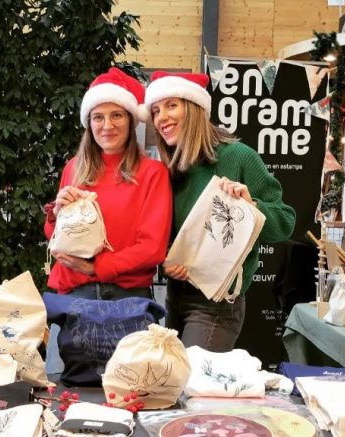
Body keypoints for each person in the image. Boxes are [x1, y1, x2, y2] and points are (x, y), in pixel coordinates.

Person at [144, 71, 296, 352]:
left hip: (216, 303)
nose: (161, 117)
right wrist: (165, 260)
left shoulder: (237, 157)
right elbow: (165, 233)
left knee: (192, 383)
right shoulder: (171, 171)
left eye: (171, 105)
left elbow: (285, 223)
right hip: (175, 296)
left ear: (194, 108)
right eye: (155, 110)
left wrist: (253, 206)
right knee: (173, 384)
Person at [44, 67, 172, 301]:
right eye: (98, 117)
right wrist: (57, 215)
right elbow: (56, 236)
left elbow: (152, 248)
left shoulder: (152, 173)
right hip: (74, 293)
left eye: (117, 115)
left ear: (131, 120)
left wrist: (97, 267)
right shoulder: (74, 168)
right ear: (89, 123)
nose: (107, 125)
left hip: (126, 297)